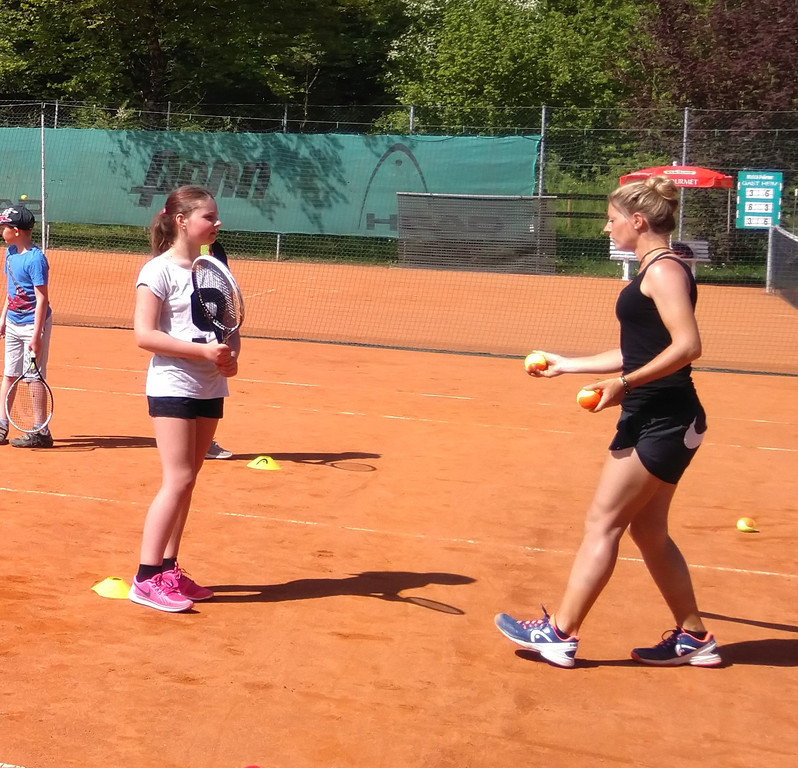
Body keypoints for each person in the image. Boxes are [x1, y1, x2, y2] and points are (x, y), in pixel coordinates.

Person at [495, 175, 720, 668]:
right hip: (659, 415)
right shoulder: (656, 270)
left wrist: (625, 383)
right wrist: (568, 365)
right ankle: (694, 637)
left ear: (637, 221)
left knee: (603, 523)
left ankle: (560, 633)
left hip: (662, 418)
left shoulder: (664, 271)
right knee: (649, 532)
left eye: (612, 219)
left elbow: (688, 346)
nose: (606, 227)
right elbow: (641, 349)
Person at [129, 185, 241, 613]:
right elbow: (145, 335)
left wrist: (229, 359)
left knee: (189, 479)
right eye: (208, 216)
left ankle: (169, 568)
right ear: (181, 220)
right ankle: (145, 578)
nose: (217, 222)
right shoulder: (157, 270)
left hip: (210, 386)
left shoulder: (215, 269)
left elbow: (228, 327)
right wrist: (202, 354)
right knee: (176, 478)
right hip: (172, 383)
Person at [0, 204, 54, 448]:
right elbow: (11, 290)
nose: (1, 231)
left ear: (17, 231)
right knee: (9, 374)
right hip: (13, 322)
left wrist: (36, 335)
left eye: (4, 227)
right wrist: (3, 318)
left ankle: (41, 431)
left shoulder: (36, 259)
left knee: (33, 377)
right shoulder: (10, 253)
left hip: (33, 324)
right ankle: (2, 425)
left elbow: (42, 299)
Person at [199, 240, 233, 460]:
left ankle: (204, 443)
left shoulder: (216, 248)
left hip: (213, 343)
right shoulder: (167, 262)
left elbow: (228, 312)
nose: (217, 224)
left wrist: (233, 354)